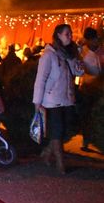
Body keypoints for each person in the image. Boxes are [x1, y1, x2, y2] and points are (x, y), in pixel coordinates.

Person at [33, 24, 84, 174]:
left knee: (66, 128)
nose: (70, 36)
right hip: (51, 99)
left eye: (70, 34)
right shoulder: (49, 55)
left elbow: (78, 73)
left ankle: (47, 152)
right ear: (58, 35)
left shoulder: (70, 54)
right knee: (57, 130)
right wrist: (37, 102)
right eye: (67, 34)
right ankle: (60, 162)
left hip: (67, 98)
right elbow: (40, 79)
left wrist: (78, 61)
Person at [78, 27, 103, 150]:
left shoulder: (101, 50)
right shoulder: (82, 52)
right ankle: (86, 140)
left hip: (100, 86)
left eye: (96, 39)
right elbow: (79, 69)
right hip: (88, 87)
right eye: (92, 40)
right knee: (87, 114)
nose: (95, 42)